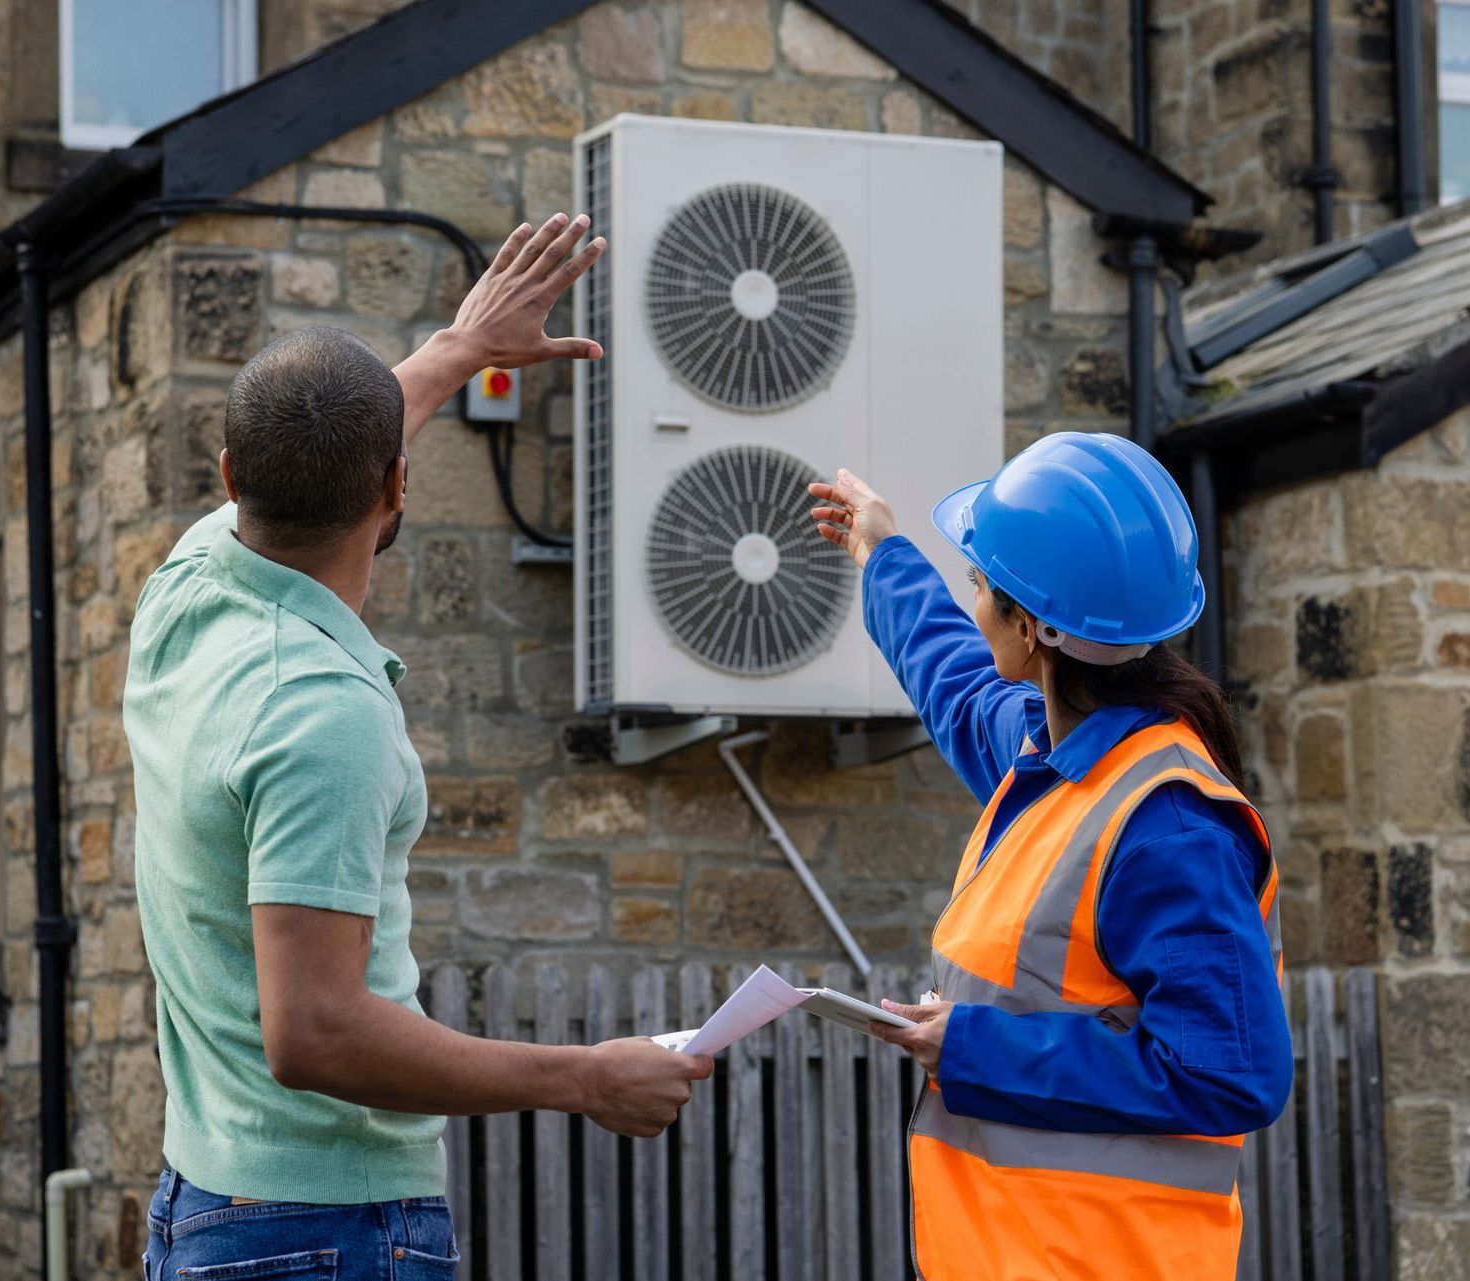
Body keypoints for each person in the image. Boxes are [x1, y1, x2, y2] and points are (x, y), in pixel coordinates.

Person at [128, 213, 712, 1280]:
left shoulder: (189, 585)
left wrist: (459, 346)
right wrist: (583, 1078)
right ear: (398, 488)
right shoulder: (320, 712)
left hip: (212, 1200)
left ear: (227, 478)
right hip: (321, 1236)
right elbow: (314, 1032)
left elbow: (331, 446)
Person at [808, 432, 1293, 1281]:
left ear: (1030, 628)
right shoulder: (1055, 756)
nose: (972, 594)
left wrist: (970, 1047)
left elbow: (1230, 1075)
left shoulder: (1168, 825)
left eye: (980, 584)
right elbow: (955, 684)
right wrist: (882, 553)